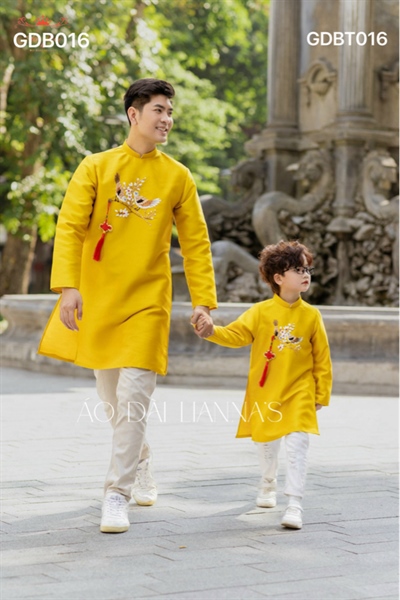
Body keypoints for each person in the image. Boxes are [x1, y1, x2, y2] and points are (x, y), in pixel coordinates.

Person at [38, 78, 217, 534]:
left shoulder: (178, 176)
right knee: (112, 399)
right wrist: (69, 287)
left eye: (170, 112)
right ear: (134, 114)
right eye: (158, 110)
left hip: (148, 300)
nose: (167, 119)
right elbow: (69, 227)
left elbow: (196, 244)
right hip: (100, 298)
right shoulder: (96, 167)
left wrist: (203, 302)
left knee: (135, 395)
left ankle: (115, 494)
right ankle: (141, 460)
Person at [195, 240, 332, 530]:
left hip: (300, 392)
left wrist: (321, 393)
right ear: (278, 278)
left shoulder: (312, 315)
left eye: (308, 269)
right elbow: (236, 335)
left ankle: (294, 504)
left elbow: (322, 358)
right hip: (266, 391)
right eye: (298, 269)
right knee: (266, 444)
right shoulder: (259, 312)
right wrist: (211, 331)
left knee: (298, 444)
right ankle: (268, 482)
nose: (306, 274)